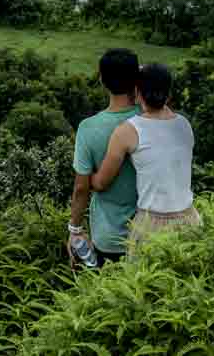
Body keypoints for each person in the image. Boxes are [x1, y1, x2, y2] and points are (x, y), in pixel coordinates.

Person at [91, 60, 200, 248]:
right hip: (190, 219)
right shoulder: (184, 125)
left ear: (137, 92)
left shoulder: (128, 130)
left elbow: (101, 183)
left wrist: (87, 178)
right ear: (169, 94)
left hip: (151, 226)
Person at [66, 48, 140, 268]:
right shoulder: (148, 120)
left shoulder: (88, 129)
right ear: (136, 79)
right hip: (148, 231)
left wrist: (75, 230)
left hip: (107, 237)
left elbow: (81, 188)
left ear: (101, 79)